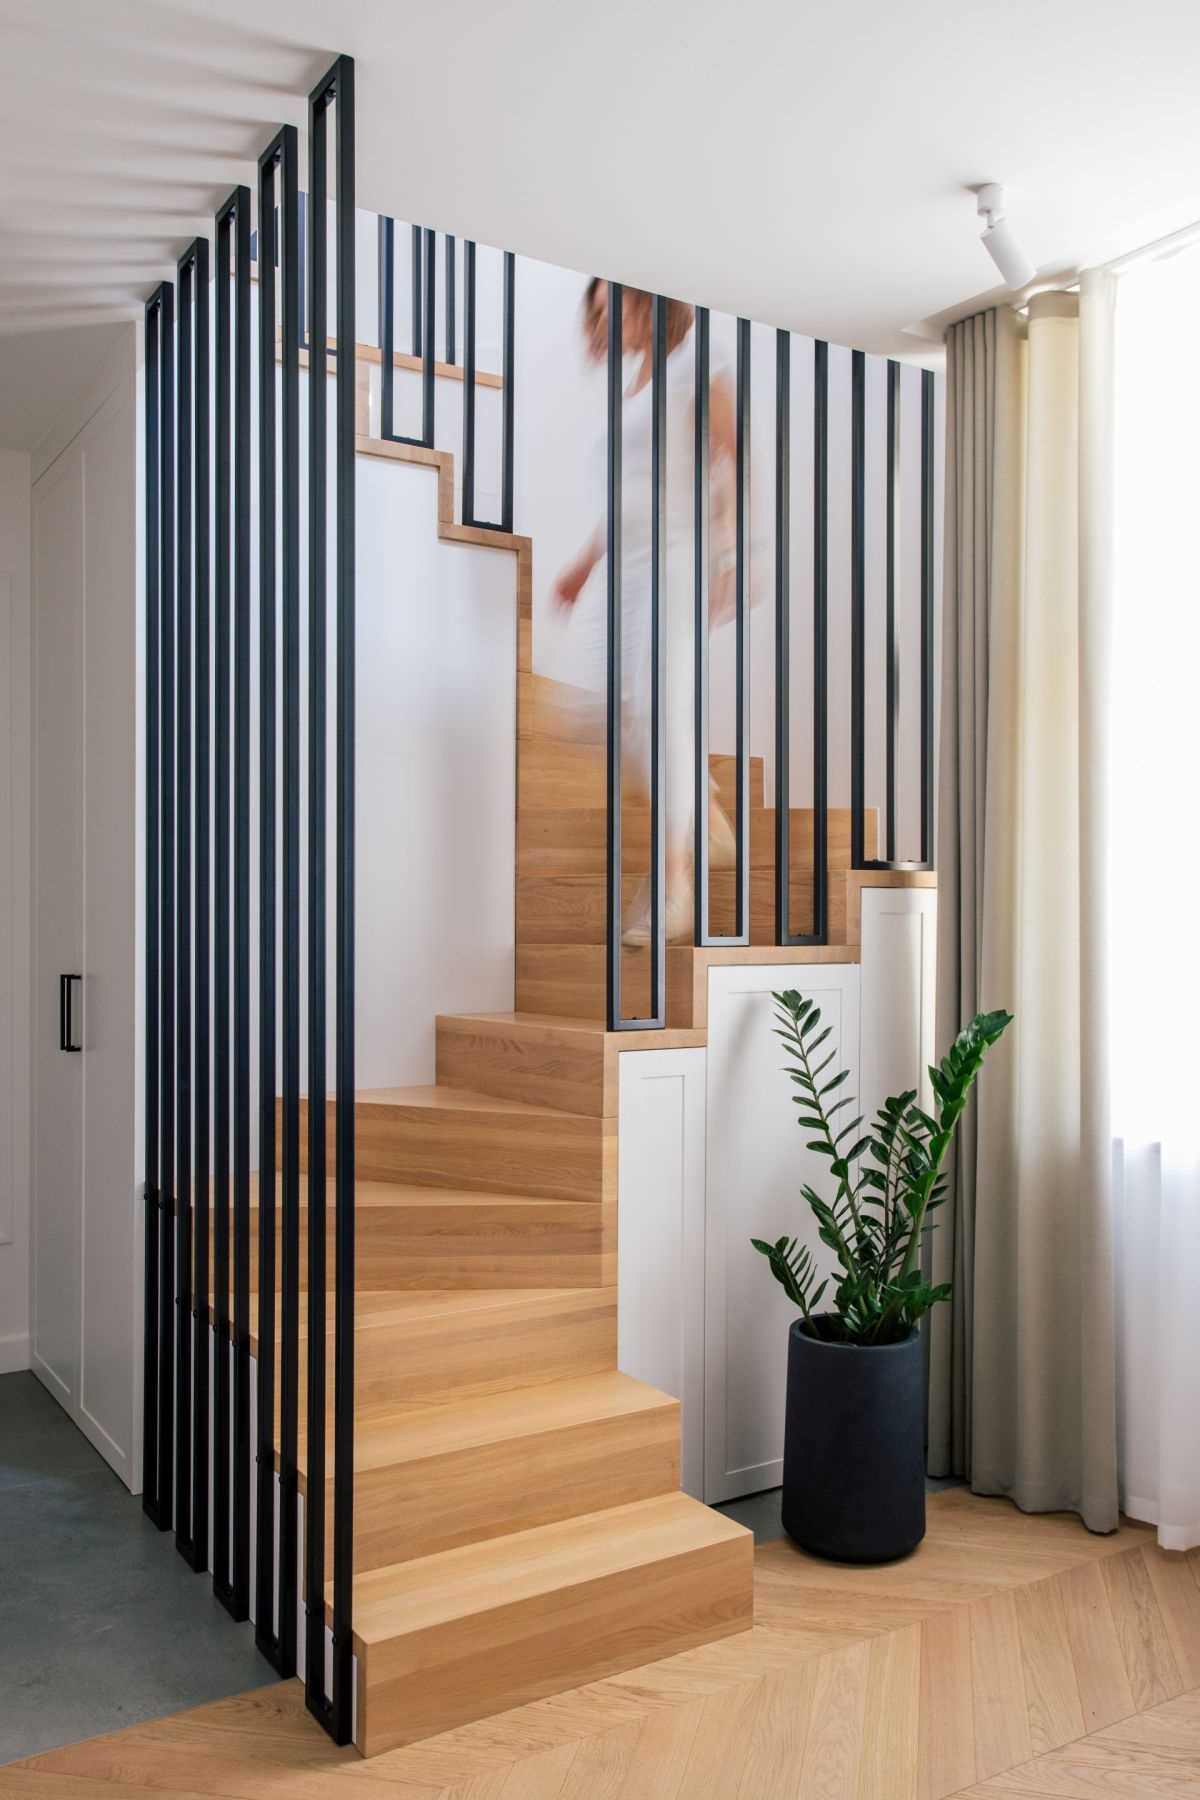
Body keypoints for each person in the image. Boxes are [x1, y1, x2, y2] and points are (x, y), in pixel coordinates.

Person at [554, 280, 738, 945]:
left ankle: (676, 885)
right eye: (594, 314)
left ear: (644, 302)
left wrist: (726, 557)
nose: (602, 324)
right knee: (600, 709)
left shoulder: (697, 359)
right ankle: (706, 812)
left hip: (676, 559)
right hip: (627, 565)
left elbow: (729, 457)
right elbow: (626, 495)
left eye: (609, 309)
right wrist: (582, 565)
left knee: (661, 714)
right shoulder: (631, 386)